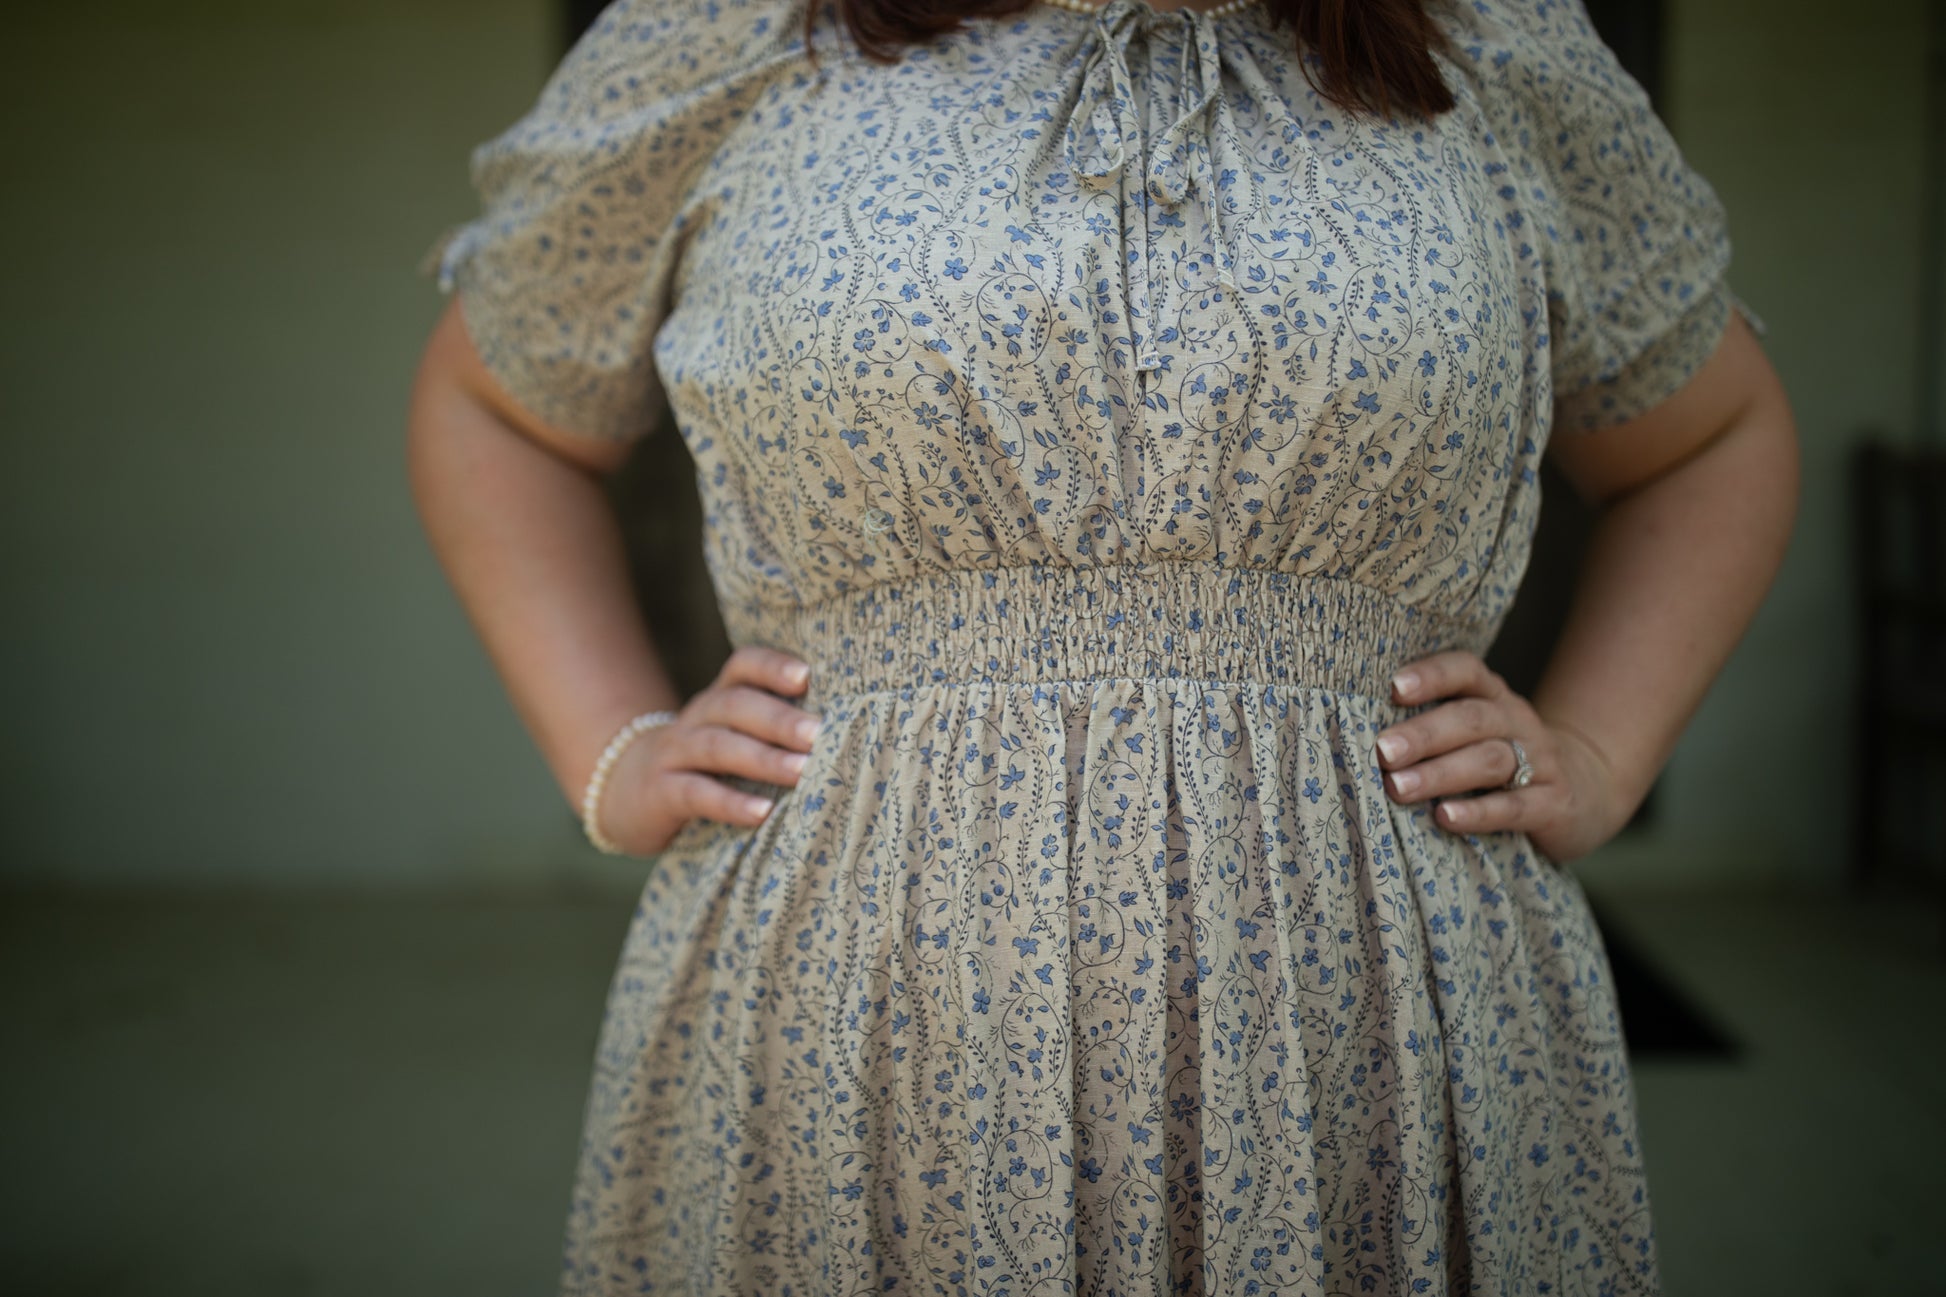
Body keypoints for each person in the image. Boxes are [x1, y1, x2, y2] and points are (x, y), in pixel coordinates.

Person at [405, 0, 1799, 1290]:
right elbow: (497, 403)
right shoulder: (740, 33)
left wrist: (1604, 752)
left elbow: (1711, 437)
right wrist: (611, 751)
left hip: (1382, 1017)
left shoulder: (1483, 39)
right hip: (853, 1010)